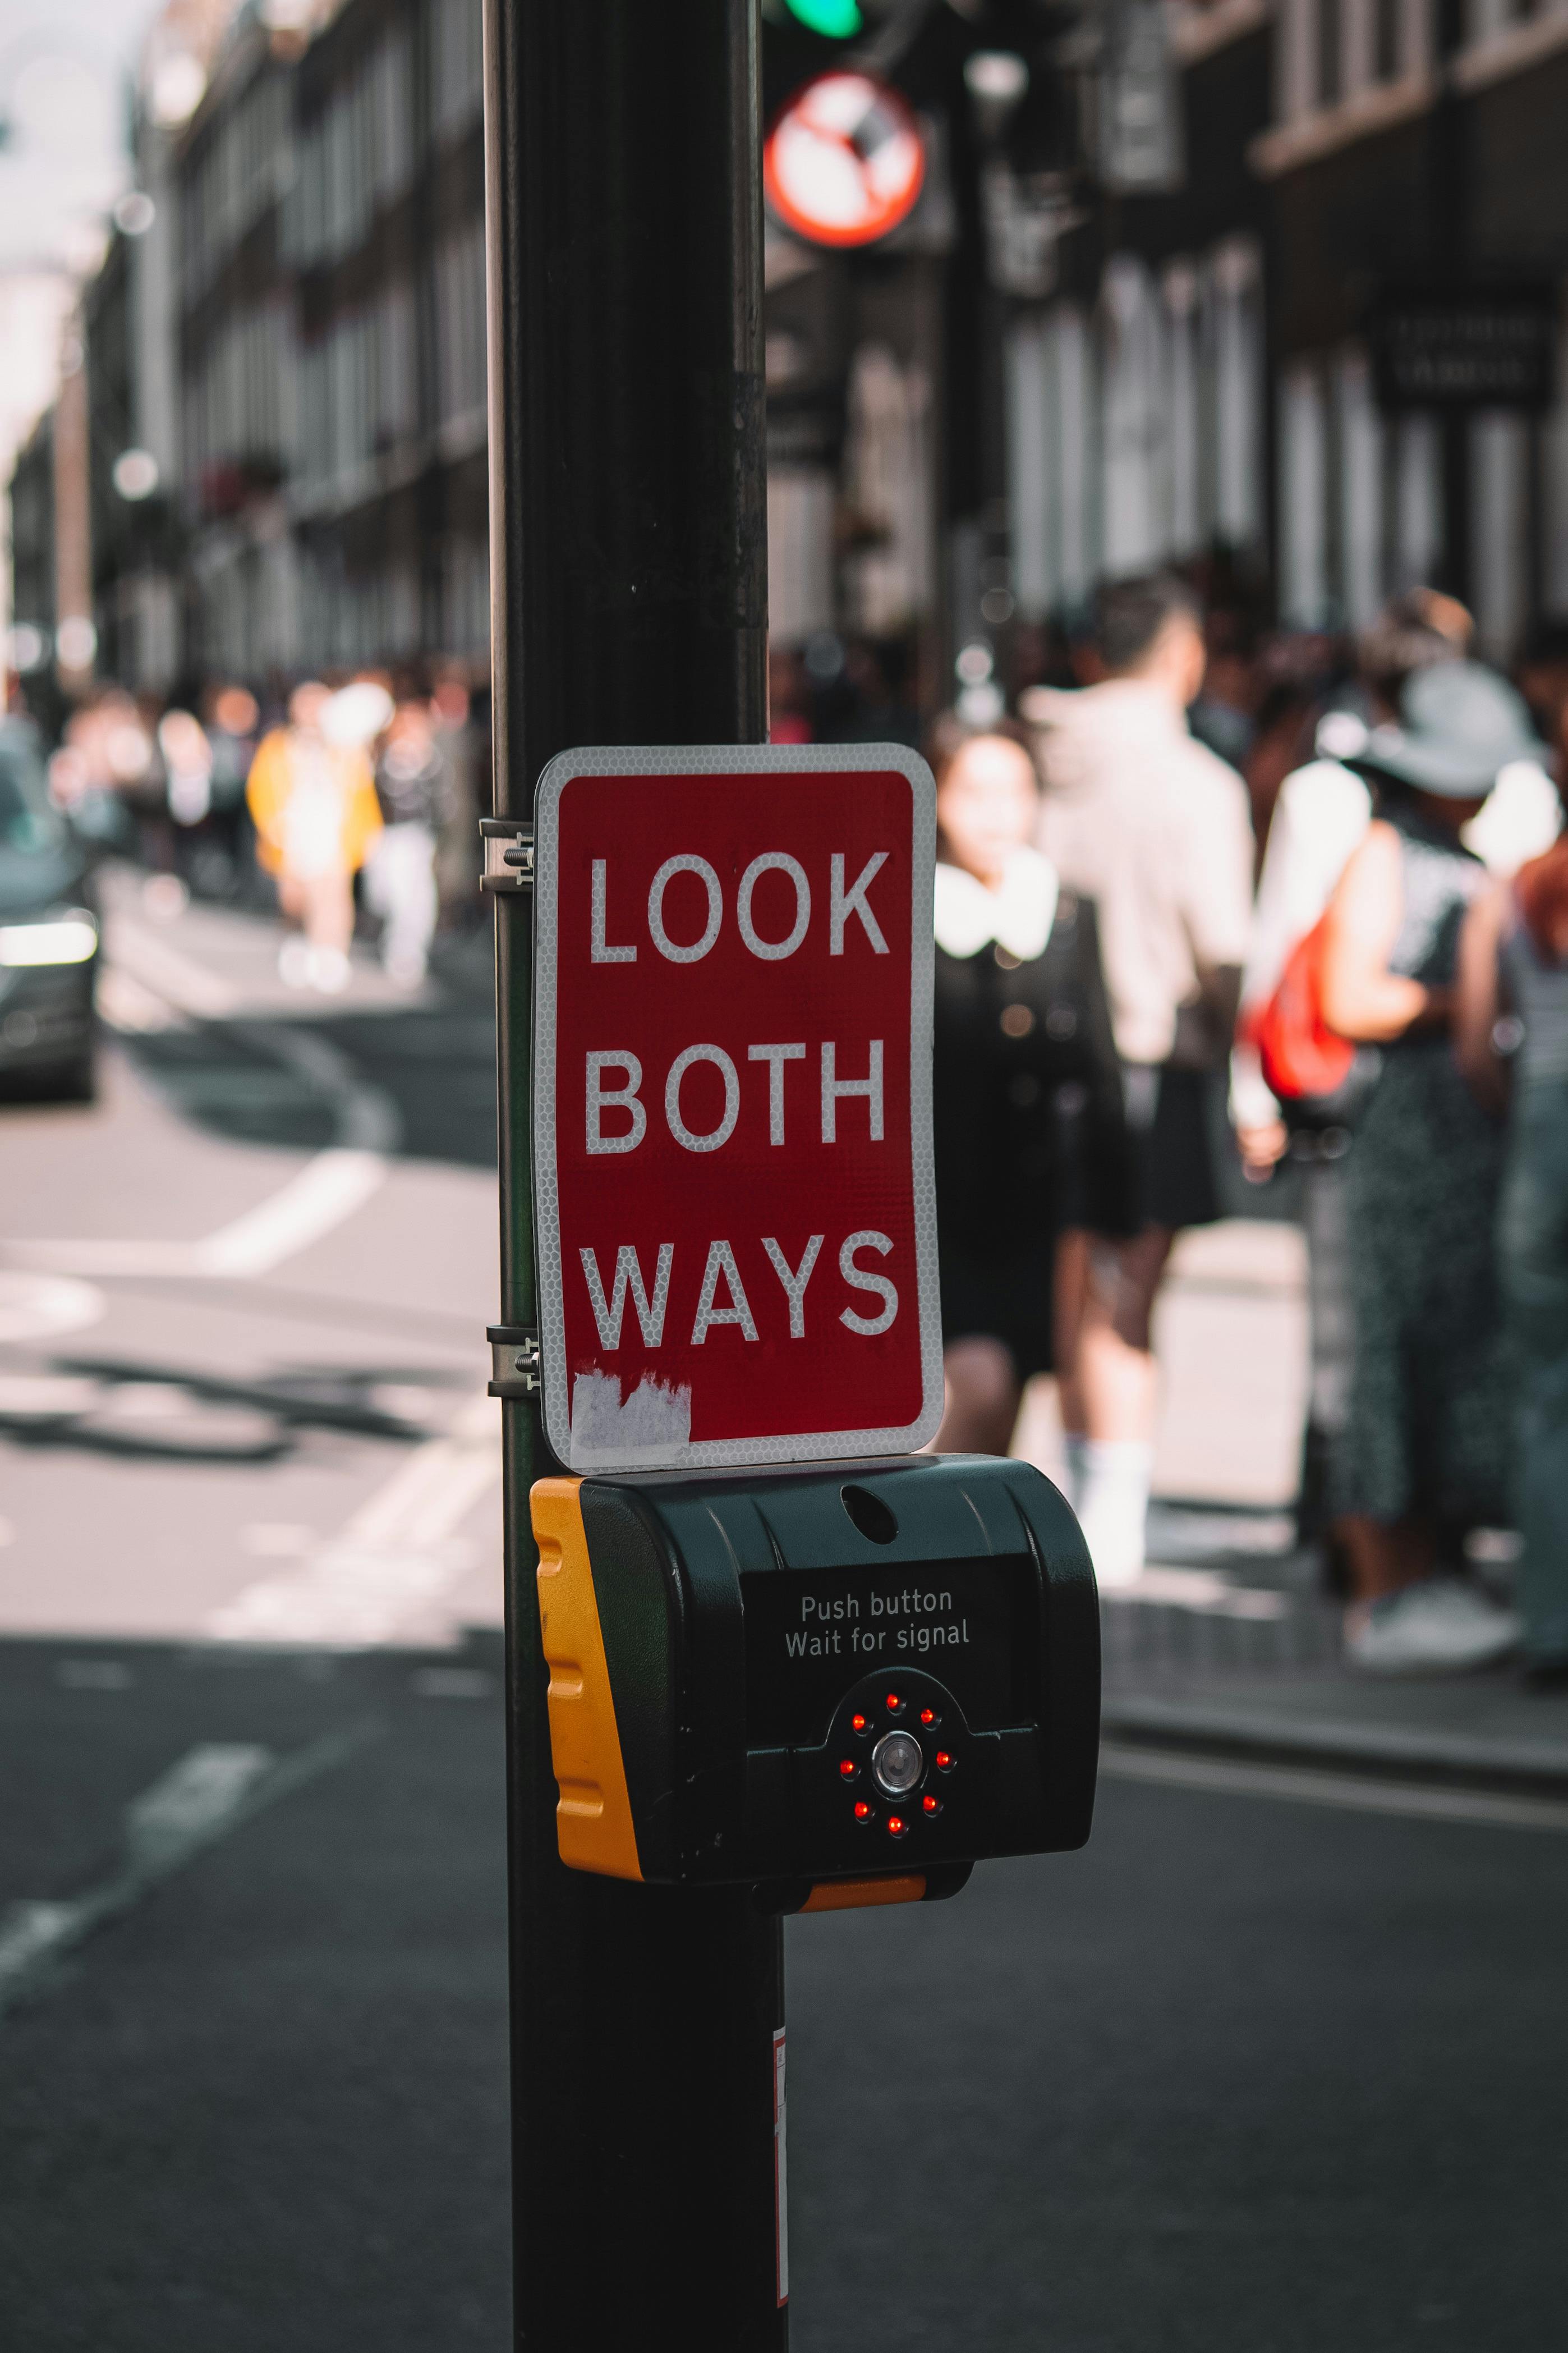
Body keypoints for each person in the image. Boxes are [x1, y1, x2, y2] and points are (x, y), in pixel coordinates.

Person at [1020, 574, 1254, 1583]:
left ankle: (1098, 1495)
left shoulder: (1035, 761)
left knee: (1079, 1281)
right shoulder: (1193, 781)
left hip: (1030, 1058)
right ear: (1182, 654)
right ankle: (1113, 1521)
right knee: (1125, 1290)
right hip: (1151, 1053)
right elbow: (1224, 947)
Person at [1318, 662, 1543, 1672]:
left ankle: (1430, 1570)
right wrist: (1465, 1003)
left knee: (1449, 1351)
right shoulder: (1384, 851)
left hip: (1457, 1150)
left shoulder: (1456, 851)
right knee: (1395, 1354)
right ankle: (1385, 1585)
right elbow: (1350, 996)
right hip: (1408, 1144)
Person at [928, 715, 1134, 1454]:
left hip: (1041, 1207)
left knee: (1015, 1385)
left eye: (1014, 791)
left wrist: (1116, 1205)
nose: (995, 813)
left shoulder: (1064, 909)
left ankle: (970, 1556)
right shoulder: (900, 912)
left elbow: (1099, 1060)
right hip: (937, 1209)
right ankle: (930, 1546)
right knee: (978, 1379)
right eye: (972, 791)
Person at [1457, 828, 1568, 1680]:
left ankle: (1547, 1625)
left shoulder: (1518, 885)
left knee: (1543, 1395)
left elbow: (1473, 1043)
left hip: (1537, 1127)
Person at [245, 681, 381, 992]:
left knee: (333, 895)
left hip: (333, 830)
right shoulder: (278, 744)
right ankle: (296, 942)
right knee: (294, 897)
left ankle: (331, 952)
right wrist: (271, 824)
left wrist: (370, 830)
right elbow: (260, 787)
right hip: (293, 831)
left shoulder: (346, 747)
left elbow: (362, 790)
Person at [366, 693, 445, 984]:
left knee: (419, 898)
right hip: (388, 836)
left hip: (419, 837)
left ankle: (408, 952)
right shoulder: (380, 755)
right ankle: (391, 940)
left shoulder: (431, 759)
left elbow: (441, 802)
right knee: (388, 896)